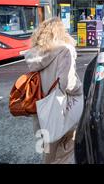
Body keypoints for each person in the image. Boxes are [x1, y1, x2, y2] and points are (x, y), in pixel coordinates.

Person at [24, 17, 82, 164]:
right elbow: (67, 83)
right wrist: (81, 90)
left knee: (48, 152)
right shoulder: (64, 50)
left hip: (42, 110)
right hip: (61, 108)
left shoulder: (35, 54)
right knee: (67, 148)